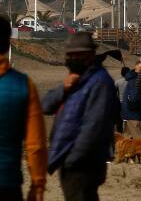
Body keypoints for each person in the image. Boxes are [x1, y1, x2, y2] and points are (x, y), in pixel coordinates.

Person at [42, 31, 119, 201]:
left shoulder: (100, 83)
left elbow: (93, 128)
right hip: (70, 161)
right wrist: (64, 88)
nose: (70, 60)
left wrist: (72, 159)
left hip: (84, 164)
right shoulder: (77, 79)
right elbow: (45, 106)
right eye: (68, 55)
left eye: (74, 55)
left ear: (88, 56)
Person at [0, 16, 46, 201]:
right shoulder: (23, 85)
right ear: (8, 44)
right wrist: (38, 184)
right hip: (7, 183)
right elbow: (35, 146)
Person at [121, 61, 141, 139]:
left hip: (129, 113)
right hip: (134, 114)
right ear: (135, 67)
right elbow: (134, 98)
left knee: (127, 138)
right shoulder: (135, 80)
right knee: (139, 139)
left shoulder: (132, 78)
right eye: (140, 67)